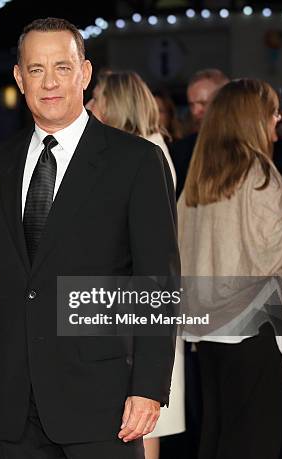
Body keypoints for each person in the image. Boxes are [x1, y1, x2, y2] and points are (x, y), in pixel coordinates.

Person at [0, 18, 179, 458]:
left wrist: (148, 387)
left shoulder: (136, 162)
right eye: (36, 69)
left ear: (85, 73)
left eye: (62, 68)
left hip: (101, 400)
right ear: (18, 77)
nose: (49, 82)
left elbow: (157, 283)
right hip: (13, 405)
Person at [178, 78, 282, 459]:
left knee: (217, 435)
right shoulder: (258, 174)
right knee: (254, 439)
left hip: (208, 326)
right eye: (272, 112)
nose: (278, 119)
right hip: (253, 323)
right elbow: (271, 249)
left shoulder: (201, 177)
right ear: (252, 119)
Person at [93, 70, 184, 459]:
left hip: (137, 309)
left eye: (96, 98)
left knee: (141, 424)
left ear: (116, 104)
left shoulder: (145, 154)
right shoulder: (144, 149)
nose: (90, 105)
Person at [171, 69, 229, 198]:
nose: (196, 111)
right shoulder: (180, 150)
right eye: (191, 105)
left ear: (224, 102)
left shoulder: (241, 146)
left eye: (203, 103)